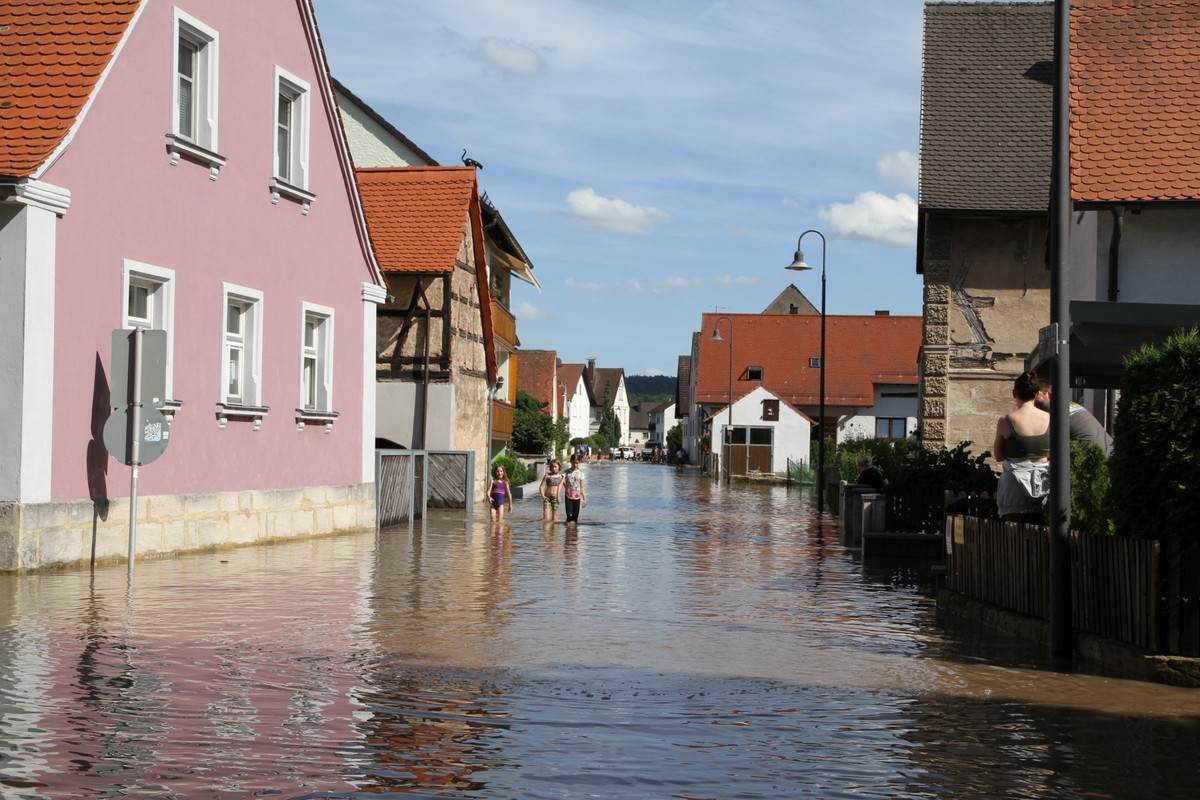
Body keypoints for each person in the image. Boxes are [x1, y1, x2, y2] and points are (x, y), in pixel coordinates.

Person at [994, 371, 1051, 523]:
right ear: (1037, 393)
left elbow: (998, 455)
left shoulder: (1005, 421)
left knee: (1015, 539)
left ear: (1014, 393)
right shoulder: (1050, 419)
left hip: (1014, 491)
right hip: (1044, 484)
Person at [1034, 378, 1113, 457]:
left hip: (1094, 460)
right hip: (1110, 452)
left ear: (1044, 394)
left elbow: (1043, 449)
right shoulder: (1068, 404)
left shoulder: (1049, 411)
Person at [563, 455, 587, 524]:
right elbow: (562, 482)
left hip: (577, 497)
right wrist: (567, 488)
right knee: (569, 516)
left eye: (577, 463)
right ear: (571, 461)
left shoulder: (581, 474)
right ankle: (567, 531)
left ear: (579, 462)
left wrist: (584, 499)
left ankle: (573, 533)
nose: (575, 464)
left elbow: (582, 488)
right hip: (568, 497)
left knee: (575, 519)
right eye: (573, 462)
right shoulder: (566, 472)